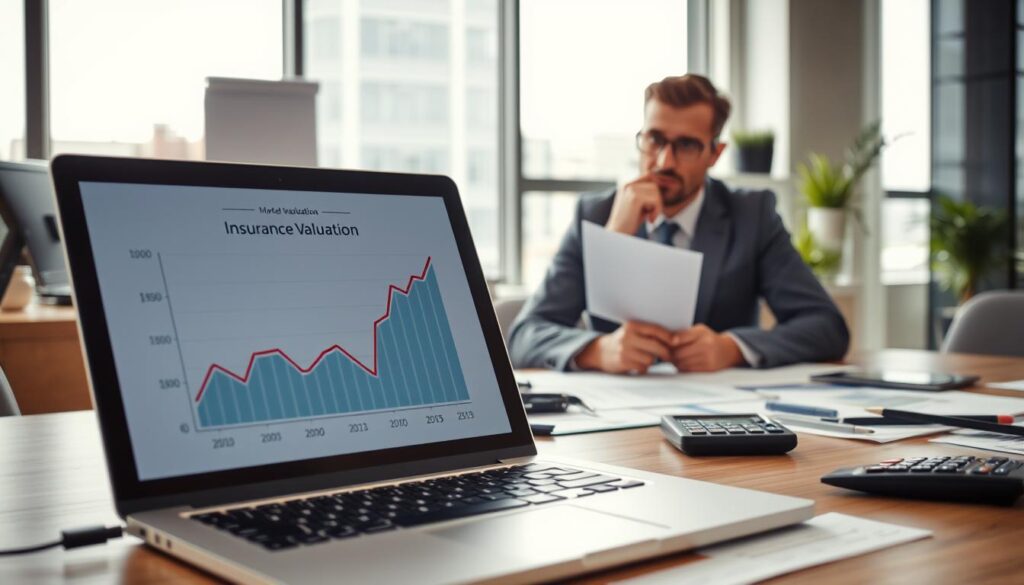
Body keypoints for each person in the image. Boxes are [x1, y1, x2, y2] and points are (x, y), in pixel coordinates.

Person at [508, 74, 849, 374]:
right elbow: (525, 335)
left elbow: (827, 328)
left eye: (686, 145)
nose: (664, 161)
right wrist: (598, 350)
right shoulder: (597, 214)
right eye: (654, 139)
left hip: (722, 415)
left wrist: (730, 348)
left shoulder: (751, 215)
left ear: (714, 154)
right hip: (613, 420)